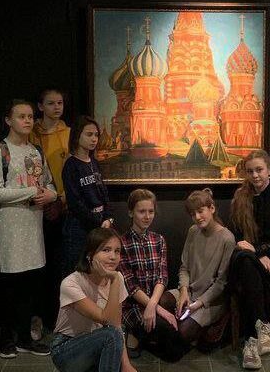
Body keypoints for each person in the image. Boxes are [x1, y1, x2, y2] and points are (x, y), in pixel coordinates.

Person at [0, 99, 58, 358]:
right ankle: (6, 338)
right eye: (21, 116)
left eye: (30, 116)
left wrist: (51, 195)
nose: (27, 121)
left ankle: (25, 337)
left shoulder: (36, 151)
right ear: (8, 120)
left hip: (33, 230)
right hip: (9, 230)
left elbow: (48, 183)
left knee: (30, 286)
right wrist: (30, 192)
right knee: (9, 286)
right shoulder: (0, 151)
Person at [228, 150, 270, 370]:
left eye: (259, 170)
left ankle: (251, 341)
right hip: (246, 256)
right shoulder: (240, 198)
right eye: (250, 171)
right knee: (246, 262)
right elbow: (238, 236)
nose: (255, 175)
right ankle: (262, 328)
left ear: (269, 170)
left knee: (249, 268)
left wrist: (259, 251)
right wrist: (256, 254)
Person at [50, 228, 137, 372]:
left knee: (114, 335)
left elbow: (116, 324)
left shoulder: (117, 278)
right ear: (90, 255)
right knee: (110, 335)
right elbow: (105, 319)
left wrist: (126, 365)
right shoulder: (71, 283)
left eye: (117, 251)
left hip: (97, 342)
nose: (113, 256)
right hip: (65, 349)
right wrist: (114, 279)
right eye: (106, 250)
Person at [165, 188, 236, 351]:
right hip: (189, 291)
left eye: (200, 211)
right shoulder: (193, 231)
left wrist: (198, 303)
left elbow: (221, 283)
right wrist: (183, 291)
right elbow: (184, 267)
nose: (197, 217)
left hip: (210, 301)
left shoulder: (227, 239)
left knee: (183, 333)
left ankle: (212, 325)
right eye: (193, 214)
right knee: (162, 302)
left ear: (212, 208)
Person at [117, 189, 185, 362]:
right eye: (142, 211)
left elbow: (162, 277)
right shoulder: (121, 243)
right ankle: (133, 332)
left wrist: (153, 305)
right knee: (173, 352)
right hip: (133, 306)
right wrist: (159, 310)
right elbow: (130, 285)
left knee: (179, 344)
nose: (147, 216)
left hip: (155, 301)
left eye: (151, 211)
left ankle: (141, 338)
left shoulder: (158, 240)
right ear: (131, 212)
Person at [29, 88, 70, 339]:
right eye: (51, 103)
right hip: (33, 208)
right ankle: (34, 317)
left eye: (60, 103)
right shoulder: (30, 133)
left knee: (58, 267)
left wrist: (60, 199)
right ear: (40, 106)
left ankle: (56, 319)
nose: (57, 107)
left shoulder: (69, 134)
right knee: (35, 269)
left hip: (62, 207)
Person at [61, 116, 113, 282]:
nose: (94, 139)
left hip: (98, 226)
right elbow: (75, 202)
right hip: (79, 228)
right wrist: (98, 221)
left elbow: (103, 193)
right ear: (77, 136)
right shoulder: (71, 165)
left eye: (96, 135)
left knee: (95, 274)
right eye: (89, 134)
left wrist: (108, 217)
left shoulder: (94, 163)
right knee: (77, 274)